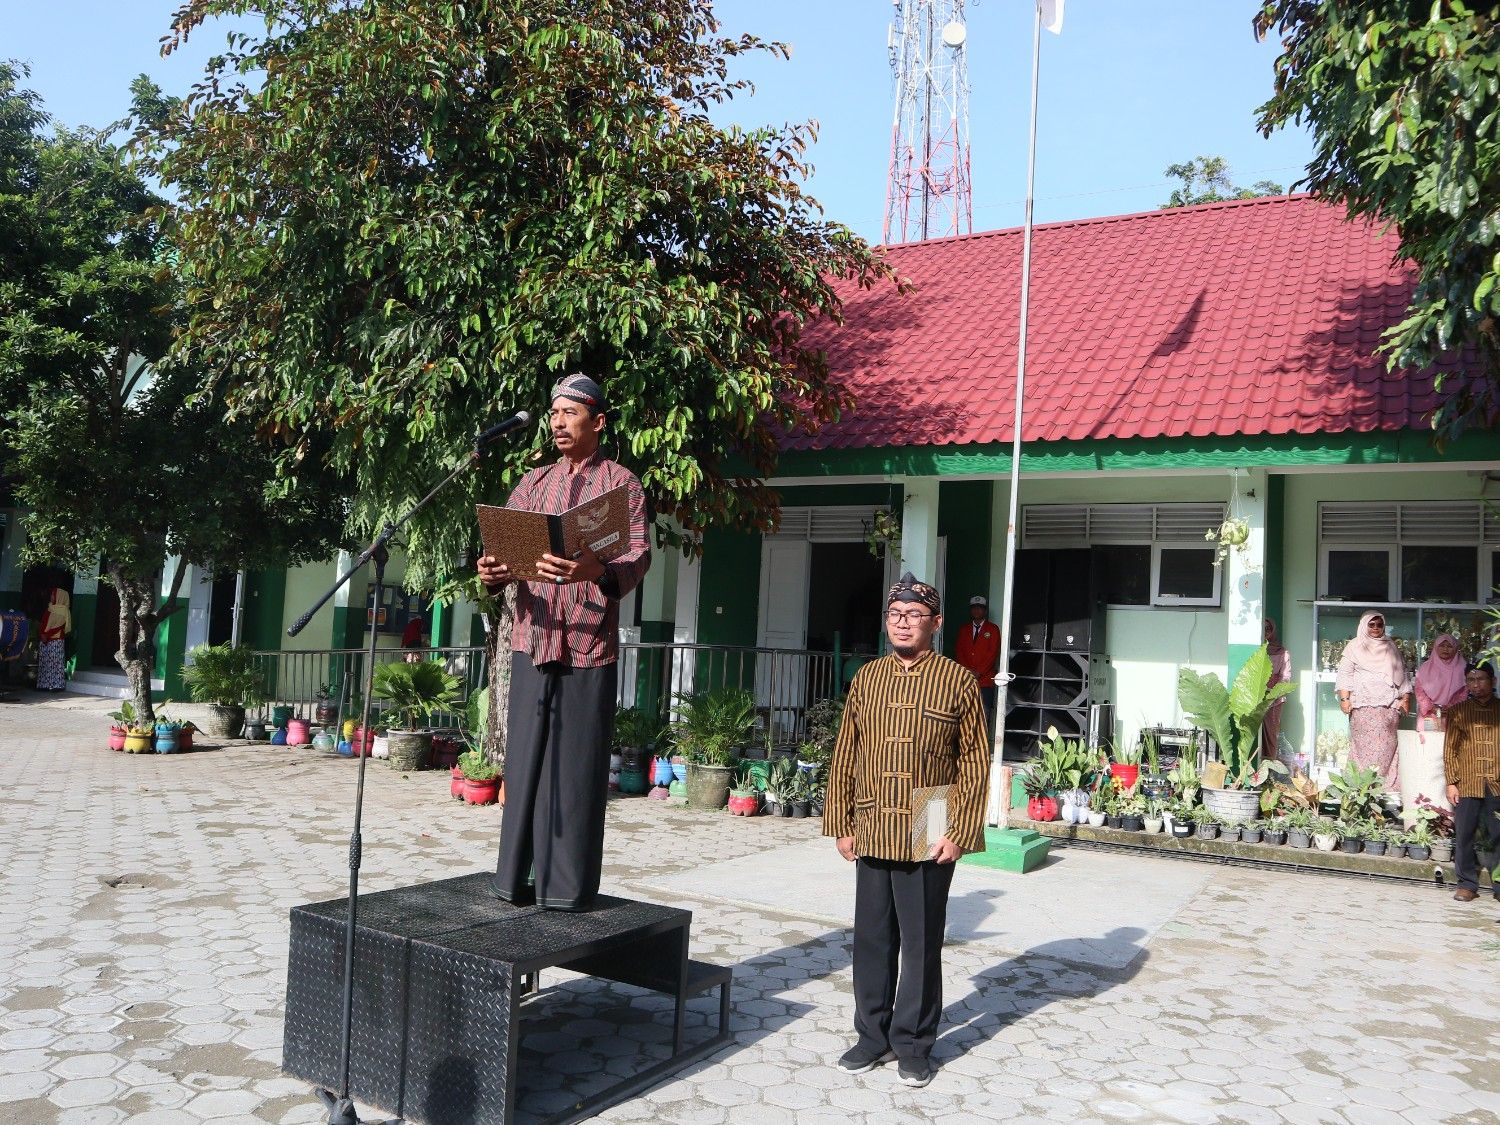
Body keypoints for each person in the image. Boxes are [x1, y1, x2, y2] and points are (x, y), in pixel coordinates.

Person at [477, 374, 651, 911]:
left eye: (569, 413)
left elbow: (637, 555)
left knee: (575, 770)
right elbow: (504, 553)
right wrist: (493, 571)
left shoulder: (621, 486)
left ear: (597, 422)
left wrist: (598, 569)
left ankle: (566, 891)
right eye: (553, 413)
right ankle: (513, 880)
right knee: (523, 763)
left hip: (587, 645)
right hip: (532, 640)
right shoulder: (532, 483)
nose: (557, 422)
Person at [823, 572, 989, 1089]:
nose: (902, 622)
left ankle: (913, 1043)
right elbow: (847, 751)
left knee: (920, 942)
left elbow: (975, 761)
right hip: (873, 816)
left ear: (935, 624)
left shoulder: (958, 680)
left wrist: (959, 830)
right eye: (895, 614)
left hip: (930, 814)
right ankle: (872, 1036)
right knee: (872, 938)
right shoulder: (867, 678)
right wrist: (841, 822)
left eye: (914, 615)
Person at [1335, 610, 1411, 791]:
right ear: (1364, 626)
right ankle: (1360, 790)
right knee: (1363, 749)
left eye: (1379, 624)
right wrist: (1344, 699)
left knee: (1386, 749)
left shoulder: (1390, 646)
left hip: (1388, 708)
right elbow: (1345, 674)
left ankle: (1384, 790)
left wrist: (1406, 698)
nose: (1376, 628)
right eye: (1371, 624)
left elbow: (1402, 674)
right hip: (1363, 707)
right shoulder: (1354, 646)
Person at [1443, 664, 1500, 902]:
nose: (1476, 685)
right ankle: (1466, 884)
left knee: (1498, 834)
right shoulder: (1458, 711)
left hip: (1497, 783)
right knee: (1465, 834)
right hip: (1468, 783)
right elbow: (1450, 749)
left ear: (1493, 681)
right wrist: (1451, 782)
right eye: (1471, 680)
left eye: (1481, 679)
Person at [953, 594, 1001, 737]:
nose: (977, 610)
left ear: (985, 610)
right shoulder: (964, 629)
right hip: (966, 680)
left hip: (985, 681)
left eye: (980, 608)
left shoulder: (993, 629)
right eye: (974, 607)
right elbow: (959, 651)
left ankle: (981, 745)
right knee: (964, 714)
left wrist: (979, 672)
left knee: (983, 715)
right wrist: (968, 671)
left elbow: (993, 653)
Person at [1415, 633, 1467, 733]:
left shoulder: (1463, 668)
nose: (1445, 649)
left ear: (1455, 648)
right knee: (1429, 740)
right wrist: (1431, 707)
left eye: (1449, 646)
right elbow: (1419, 690)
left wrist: (1450, 707)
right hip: (1429, 714)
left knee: (1452, 741)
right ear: (1436, 647)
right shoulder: (1425, 668)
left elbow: (1464, 691)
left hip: (1453, 714)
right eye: (1442, 646)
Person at [1261, 617, 1292, 764]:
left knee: (1271, 734)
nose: (1265, 632)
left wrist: (1272, 692)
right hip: (1256, 696)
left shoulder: (1282, 652)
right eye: (1263, 629)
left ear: (1273, 631)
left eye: (1268, 629)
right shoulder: (1256, 649)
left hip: (1274, 699)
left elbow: (1285, 676)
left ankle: (1269, 768)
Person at [35, 587, 71, 692]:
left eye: (53, 595)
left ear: (60, 597)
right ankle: (43, 685)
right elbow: (43, 623)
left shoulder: (64, 611)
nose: (51, 596)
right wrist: (41, 634)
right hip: (44, 639)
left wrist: (47, 635)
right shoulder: (50, 608)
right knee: (44, 662)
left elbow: (61, 626)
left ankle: (57, 685)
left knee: (56, 663)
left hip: (56, 640)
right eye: (52, 594)